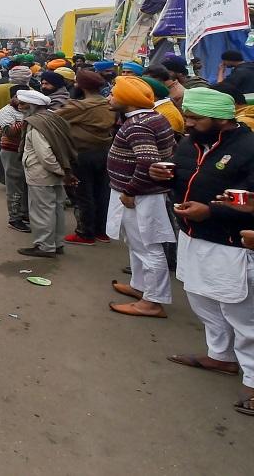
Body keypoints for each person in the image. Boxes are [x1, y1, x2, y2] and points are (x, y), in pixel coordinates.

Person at [151, 87, 254, 414]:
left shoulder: (248, 149)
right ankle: (221, 356)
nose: (189, 123)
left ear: (221, 119)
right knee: (202, 300)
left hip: (231, 244)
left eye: (196, 118)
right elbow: (183, 177)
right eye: (188, 116)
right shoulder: (190, 143)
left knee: (243, 316)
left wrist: (211, 211)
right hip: (193, 237)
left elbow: (249, 202)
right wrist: (164, 177)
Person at [106, 76, 177, 318]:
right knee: (136, 243)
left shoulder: (137, 125)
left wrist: (131, 190)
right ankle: (140, 286)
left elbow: (148, 162)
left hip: (140, 195)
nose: (109, 98)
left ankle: (153, 301)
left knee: (148, 247)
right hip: (141, 193)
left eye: (113, 94)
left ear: (127, 99)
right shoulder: (152, 117)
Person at [15, 91, 78, 258]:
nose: (20, 107)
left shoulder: (36, 124)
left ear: (33, 106)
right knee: (56, 209)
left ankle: (44, 246)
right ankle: (57, 244)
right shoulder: (53, 118)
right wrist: (64, 172)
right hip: (56, 173)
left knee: (42, 211)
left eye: (23, 104)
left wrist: (62, 172)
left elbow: (46, 156)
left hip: (41, 174)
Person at [56, 70, 115, 245]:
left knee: (82, 193)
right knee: (102, 192)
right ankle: (101, 231)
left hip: (82, 154)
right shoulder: (108, 104)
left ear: (80, 86)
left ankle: (85, 233)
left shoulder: (80, 107)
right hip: (104, 152)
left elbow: (54, 117)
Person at [0, 85, 31, 232]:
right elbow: (10, 132)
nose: (24, 101)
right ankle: (14, 218)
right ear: (13, 97)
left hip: (27, 151)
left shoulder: (28, 110)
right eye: (20, 98)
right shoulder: (6, 112)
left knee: (25, 185)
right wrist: (29, 121)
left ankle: (24, 213)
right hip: (12, 152)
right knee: (14, 186)